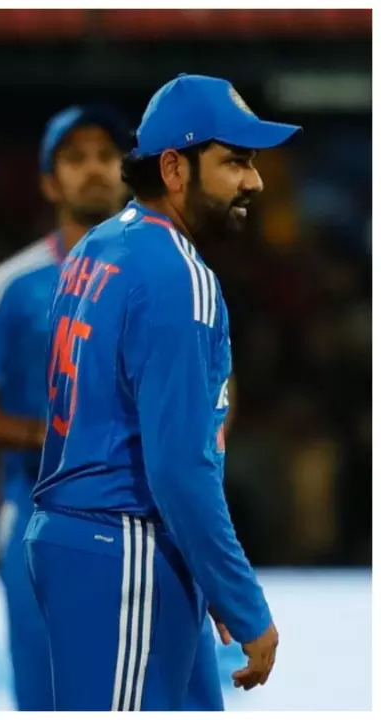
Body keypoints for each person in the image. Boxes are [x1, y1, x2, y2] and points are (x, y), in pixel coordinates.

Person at [0, 106, 227, 710]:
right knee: (53, 699)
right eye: (75, 157)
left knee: (177, 696)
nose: (94, 169)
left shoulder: (170, 271)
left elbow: (217, 394)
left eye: (108, 156)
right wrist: (58, 434)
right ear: (49, 181)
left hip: (159, 517)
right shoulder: (13, 284)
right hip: (46, 521)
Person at [27, 73, 297, 710]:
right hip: (125, 551)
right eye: (234, 161)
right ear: (174, 168)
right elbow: (179, 466)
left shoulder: (98, 246)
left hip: (102, 545)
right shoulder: (177, 275)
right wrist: (242, 599)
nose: (254, 181)